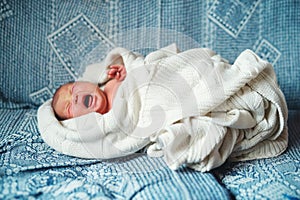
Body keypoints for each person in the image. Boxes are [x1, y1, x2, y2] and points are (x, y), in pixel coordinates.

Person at [51, 64, 126, 120]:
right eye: (69, 108)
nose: (74, 98)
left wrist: (124, 73)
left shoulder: (112, 82)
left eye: (73, 89)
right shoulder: (105, 122)